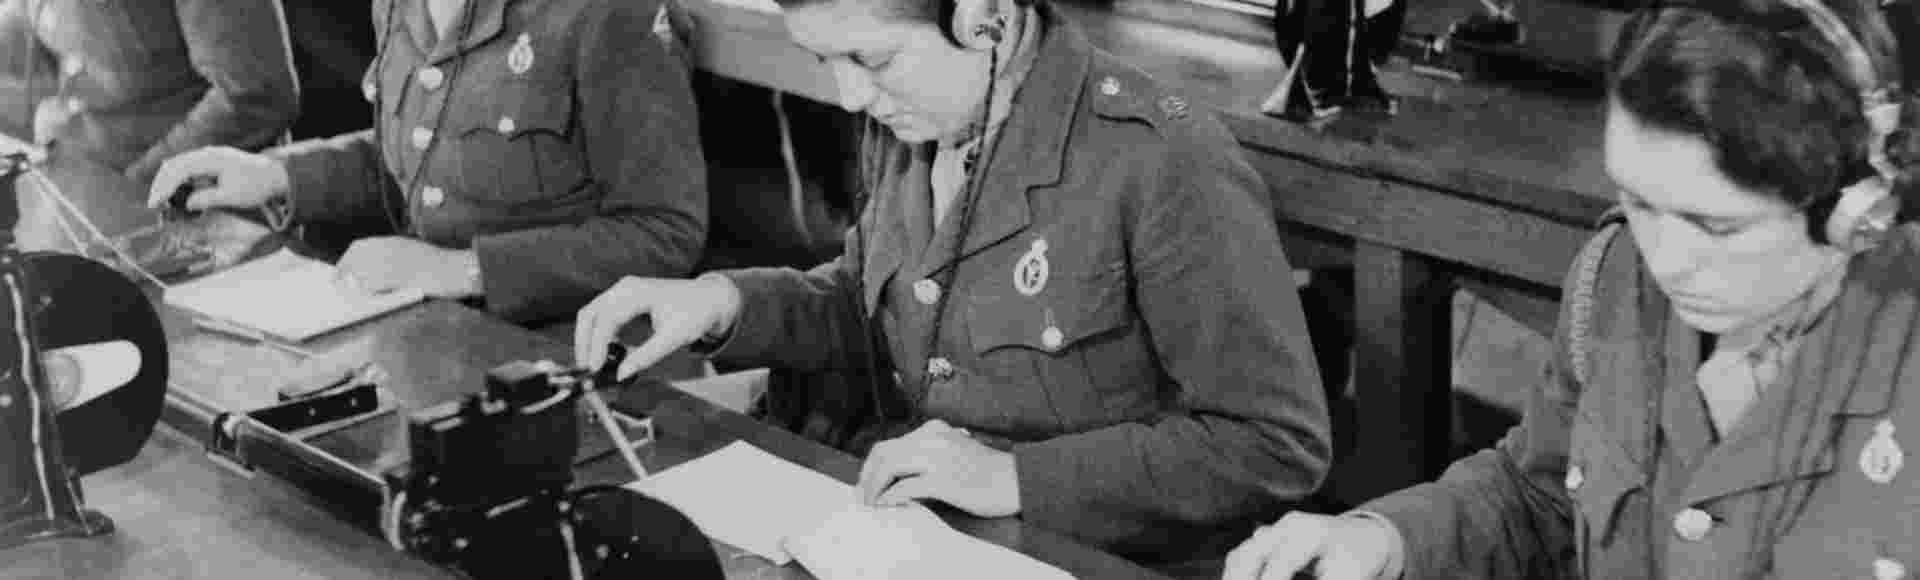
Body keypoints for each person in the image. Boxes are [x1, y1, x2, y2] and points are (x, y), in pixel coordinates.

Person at [572, 0, 1331, 564]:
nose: (848, 97)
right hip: (920, 537)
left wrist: (1015, 478)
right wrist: (723, 303)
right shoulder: (918, 124)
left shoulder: (1163, 162)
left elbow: (1273, 445)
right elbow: (871, 300)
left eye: (871, 61)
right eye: (827, 61)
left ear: (986, 19)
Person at [1222, 0, 1920, 578]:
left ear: (1857, 213)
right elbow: (1539, 493)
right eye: (1639, 202)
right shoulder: (1614, 274)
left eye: (1717, 226)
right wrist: (1386, 541)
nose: (1666, 261)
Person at [144, 0, 707, 325]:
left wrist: (462, 270)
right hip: (438, 336)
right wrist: (277, 174)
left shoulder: (609, 11)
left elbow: (666, 233)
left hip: (572, 358)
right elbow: (427, 159)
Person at [0, 0, 300, 188]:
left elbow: (254, 95)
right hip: (84, 177)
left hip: (197, 205)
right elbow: (46, 25)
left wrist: (137, 184)